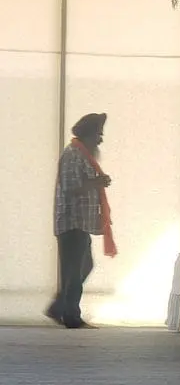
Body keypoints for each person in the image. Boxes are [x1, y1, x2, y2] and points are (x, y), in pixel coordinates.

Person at [46, 112, 116, 329]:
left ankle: (59, 308)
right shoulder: (73, 155)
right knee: (75, 271)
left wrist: (97, 182)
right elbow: (71, 188)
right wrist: (97, 183)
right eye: (98, 134)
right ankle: (71, 317)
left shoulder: (82, 155)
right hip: (71, 222)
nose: (100, 140)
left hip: (81, 223)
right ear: (87, 134)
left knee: (82, 267)